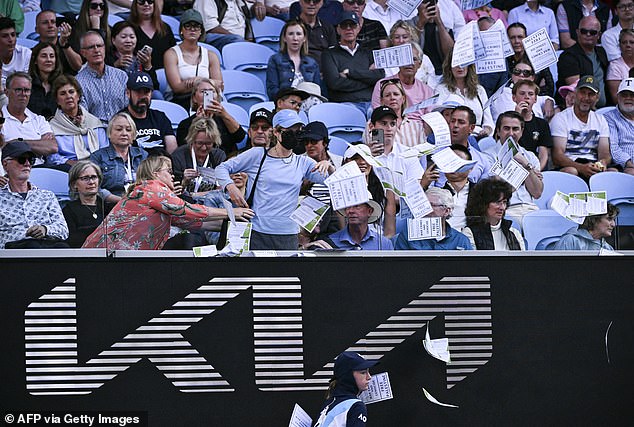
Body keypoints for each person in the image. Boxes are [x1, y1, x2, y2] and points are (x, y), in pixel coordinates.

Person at [216, 109, 335, 250]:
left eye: (298, 131)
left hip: (288, 233)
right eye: (290, 130)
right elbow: (221, 169)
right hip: (258, 231)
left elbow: (333, 181)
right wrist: (231, 188)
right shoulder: (258, 155)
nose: (295, 134)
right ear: (277, 132)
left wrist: (329, 165)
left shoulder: (303, 162)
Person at [82, 155, 254, 249]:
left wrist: (232, 223)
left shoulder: (151, 195)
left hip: (114, 256)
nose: (173, 175)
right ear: (156, 173)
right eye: (168, 171)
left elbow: (190, 222)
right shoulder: (151, 187)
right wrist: (231, 212)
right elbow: (186, 209)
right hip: (101, 255)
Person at [0, 140, 69, 249]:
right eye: (21, 160)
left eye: (31, 160)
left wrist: (45, 229)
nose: (27, 164)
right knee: (32, 245)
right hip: (13, 254)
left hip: (46, 247)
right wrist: (26, 234)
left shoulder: (46, 196)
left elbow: (63, 231)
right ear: (5, 164)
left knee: (63, 248)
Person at [482, 111, 543, 227]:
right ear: (498, 131)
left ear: (521, 132)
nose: (511, 133)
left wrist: (526, 165)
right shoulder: (487, 156)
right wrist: (525, 175)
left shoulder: (529, 156)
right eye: (506, 128)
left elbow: (537, 192)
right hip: (505, 209)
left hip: (531, 208)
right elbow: (497, 190)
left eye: (515, 129)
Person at [321, 11, 385, 115]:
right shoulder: (329, 54)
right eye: (344, 26)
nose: (348, 29)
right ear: (338, 30)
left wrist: (350, 73)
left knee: (380, 124)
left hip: (371, 104)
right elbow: (335, 83)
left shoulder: (368, 52)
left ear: (358, 28)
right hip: (345, 104)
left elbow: (379, 76)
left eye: (352, 25)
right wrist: (367, 79)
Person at [550, 75, 613, 179]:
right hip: (570, 165)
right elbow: (557, 156)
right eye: (582, 92)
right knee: (572, 171)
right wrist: (581, 168)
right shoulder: (561, 118)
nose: (586, 98)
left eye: (591, 94)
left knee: (613, 172)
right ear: (575, 93)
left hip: (592, 164)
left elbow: (605, 152)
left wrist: (603, 162)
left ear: (597, 98)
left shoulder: (600, 120)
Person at [163, 8, 223, 109]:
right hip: (180, 100)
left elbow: (219, 85)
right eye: (188, 26)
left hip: (208, 99)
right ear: (181, 30)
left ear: (201, 31)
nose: (192, 29)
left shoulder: (211, 55)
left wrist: (198, 81)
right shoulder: (171, 54)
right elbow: (176, 87)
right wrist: (207, 84)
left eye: (196, 26)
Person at [48, 75, 108, 169]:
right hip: (67, 170)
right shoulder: (51, 127)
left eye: (71, 92)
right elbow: (51, 156)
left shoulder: (94, 122)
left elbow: (105, 150)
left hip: (98, 168)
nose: (68, 96)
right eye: (63, 93)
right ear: (57, 100)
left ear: (78, 96)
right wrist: (68, 162)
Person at [175, 77, 245, 154]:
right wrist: (198, 122)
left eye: (212, 91)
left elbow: (240, 137)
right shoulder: (185, 124)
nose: (208, 95)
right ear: (194, 97)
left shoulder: (224, 119)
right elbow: (184, 147)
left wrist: (224, 114)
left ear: (217, 96)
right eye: (203, 91)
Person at [1, 72, 57, 166]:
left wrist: (16, 142)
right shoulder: (1, 119)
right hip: (10, 172)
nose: (23, 94)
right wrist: (38, 145)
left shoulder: (39, 120)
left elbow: (52, 147)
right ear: (6, 92)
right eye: (18, 90)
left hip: (40, 169)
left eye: (27, 90)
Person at [435, 50, 494, 138]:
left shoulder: (480, 90)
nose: (460, 67)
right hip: (453, 137)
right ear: (449, 67)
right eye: (456, 63)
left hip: (479, 137)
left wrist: (486, 131)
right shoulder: (441, 89)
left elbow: (488, 121)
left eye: (463, 63)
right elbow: (438, 119)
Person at [90, 112, 148, 201]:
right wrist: (119, 200)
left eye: (128, 130)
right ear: (109, 133)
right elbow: (94, 187)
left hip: (141, 202)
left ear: (133, 135)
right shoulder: (98, 157)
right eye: (119, 129)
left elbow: (151, 182)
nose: (124, 133)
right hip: (110, 205)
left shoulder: (143, 155)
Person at [394, 187, 473, 250]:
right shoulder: (407, 236)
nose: (425, 210)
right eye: (423, 205)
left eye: (431, 205)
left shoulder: (460, 240)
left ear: (446, 211)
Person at [76, 31, 128, 124]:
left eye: (99, 46)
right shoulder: (78, 82)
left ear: (104, 48)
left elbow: (129, 110)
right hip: (94, 132)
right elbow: (83, 116)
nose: (96, 50)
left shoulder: (121, 76)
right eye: (91, 47)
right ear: (83, 53)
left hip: (121, 129)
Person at [556, 16, 609, 108]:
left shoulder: (601, 52)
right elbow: (576, 91)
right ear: (577, 32)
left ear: (599, 35)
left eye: (592, 32)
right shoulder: (568, 56)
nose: (588, 34)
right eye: (584, 31)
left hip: (605, 109)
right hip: (581, 109)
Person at [371, 42, 434, 118]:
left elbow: (429, 119)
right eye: (406, 59)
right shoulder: (382, 85)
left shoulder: (427, 91)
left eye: (414, 59)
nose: (409, 63)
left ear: (419, 64)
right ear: (398, 62)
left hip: (418, 127)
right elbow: (378, 114)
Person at [314, 351, 376, 427]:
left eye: (368, 372)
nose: (369, 377)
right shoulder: (356, 406)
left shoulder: (330, 400)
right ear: (348, 376)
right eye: (363, 373)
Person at [366, 105, 424, 185]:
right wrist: (367, 158)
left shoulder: (408, 154)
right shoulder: (362, 155)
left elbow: (416, 186)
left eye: (392, 124)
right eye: (384, 123)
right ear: (371, 127)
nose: (389, 128)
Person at [123, 70, 177, 155]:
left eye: (146, 92)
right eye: (138, 92)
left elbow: (172, 151)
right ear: (128, 93)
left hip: (162, 165)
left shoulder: (160, 117)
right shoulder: (121, 120)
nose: (143, 96)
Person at [62, 160, 115, 247]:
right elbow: (72, 240)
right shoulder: (69, 210)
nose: (91, 182)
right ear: (74, 184)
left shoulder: (109, 208)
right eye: (85, 178)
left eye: (94, 177)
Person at [462, 178, 525, 250]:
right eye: (497, 202)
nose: (502, 207)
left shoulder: (514, 233)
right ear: (483, 204)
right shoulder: (470, 233)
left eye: (504, 202)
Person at [265, 20, 321, 100]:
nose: (295, 38)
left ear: (304, 38)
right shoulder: (275, 60)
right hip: (285, 103)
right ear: (284, 38)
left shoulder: (312, 63)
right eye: (291, 34)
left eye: (299, 34)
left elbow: (317, 89)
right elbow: (272, 90)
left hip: (309, 101)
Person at [172, 116, 226, 197]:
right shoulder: (178, 156)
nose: (204, 148)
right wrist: (183, 181)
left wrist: (194, 195)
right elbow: (173, 192)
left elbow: (222, 190)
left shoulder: (218, 156)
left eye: (208, 143)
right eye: (200, 143)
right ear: (191, 140)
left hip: (212, 203)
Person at [490, 59, 557, 123]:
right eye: (517, 72)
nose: (521, 75)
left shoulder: (534, 94)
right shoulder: (503, 93)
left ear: (532, 78)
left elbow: (545, 99)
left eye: (526, 73)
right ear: (512, 75)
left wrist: (549, 101)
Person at [408, 1, 459, 82]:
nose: (428, 7)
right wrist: (421, 23)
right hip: (419, 74)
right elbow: (409, 50)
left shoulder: (445, 24)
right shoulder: (410, 24)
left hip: (443, 74)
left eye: (432, 3)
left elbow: (451, 54)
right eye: (425, 3)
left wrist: (439, 22)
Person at [370, 77, 427, 148]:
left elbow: (423, 154)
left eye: (396, 94)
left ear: (403, 99)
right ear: (382, 101)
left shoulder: (416, 126)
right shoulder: (374, 124)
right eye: (387, 95)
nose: (392, 98)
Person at [511, 79, 553, 171]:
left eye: (530, 94)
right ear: (514, 98)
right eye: (522, 94)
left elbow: (543, 154)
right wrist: (517, 117)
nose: (526, 97)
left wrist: (537, 171)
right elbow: (507, 146)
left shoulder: (542, 124)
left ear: (535, 99)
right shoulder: (506, 121)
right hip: (512, 166)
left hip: (533, 166)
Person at [506, 22, 555, 98]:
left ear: (526, 38)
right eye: (512, 37)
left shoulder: (537, 57)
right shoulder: (504, 60)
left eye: (520, 37)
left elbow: (549, 87)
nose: (517, 41)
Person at [61, 0, 113, 71]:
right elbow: (84, 57)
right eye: (94, 6)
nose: (98, 8)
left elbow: (106, 57)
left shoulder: (109, 30)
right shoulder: (76, 29)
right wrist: (96, 30)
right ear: (86, 8)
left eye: (102, 6)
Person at [328, 194, 393, 250]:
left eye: (357, 206)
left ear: (370, 211)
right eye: (348, 207)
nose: (351, 211)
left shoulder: (384, 244)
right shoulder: (331, 242)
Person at [109, 20, 157, 93]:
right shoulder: (108, 58)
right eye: (123, 37)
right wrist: (115, 65)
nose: (128, 40)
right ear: (113, 40)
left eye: (132, 37)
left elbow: (155, 86)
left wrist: (148, 66)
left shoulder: (142, 58)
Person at [129, 0, 177, 70]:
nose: (146, 4)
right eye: (141, 2)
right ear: (135, 5)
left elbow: (174, 53)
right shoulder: (129, 28)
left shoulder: (165, 28)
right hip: (140, 75)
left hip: (166, 74)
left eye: (150, 1)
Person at [551, 203, 620, 251]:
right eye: (609, 219)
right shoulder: (570, 240)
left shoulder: (607, 248)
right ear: (595, 219)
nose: (613, 224)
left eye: (614, 220)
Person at [604, 78, 634, 175]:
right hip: (626, 167)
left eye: (632, 95)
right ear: (618, 97)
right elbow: (614, 148)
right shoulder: (609, 118)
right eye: (624, 95)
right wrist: (629, 163)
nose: (628, 98)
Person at [296, 0, 337, 67]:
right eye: (307, 1)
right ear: (300, 2)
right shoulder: (291, 27)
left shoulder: (328, 27)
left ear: (321, 3)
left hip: (324, 72)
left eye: (315, 1)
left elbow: (333, 55)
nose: (311, 4)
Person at [34, 10, 76, 75]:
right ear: (37, 30)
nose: (50, 26)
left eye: (53, 22)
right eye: (45, 23)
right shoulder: (32, 52)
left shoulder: (69, 45)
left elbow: (78, 67)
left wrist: (65, 45)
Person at [26, 42, 61, 119]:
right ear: (35, 60)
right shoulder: (27, 84)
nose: (48, 59)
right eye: (44, 56)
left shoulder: (61, 85)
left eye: (52, 56)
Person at [0, 17, 31, 90]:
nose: (11, 40)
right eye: (5, 36)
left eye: (13, 35)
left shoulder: (25, 54)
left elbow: (27, 84)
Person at [606, 29, 634, 102]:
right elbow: (616, 98)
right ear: (619, 45)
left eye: (632, 42)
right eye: (624, 42)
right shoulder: (614, 66)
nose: (628, 45)